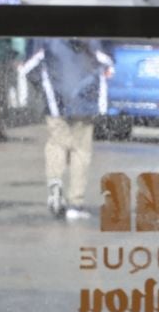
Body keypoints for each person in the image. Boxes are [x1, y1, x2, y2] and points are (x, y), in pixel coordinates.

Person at [19, 38, 114, 221]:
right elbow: (107, 63)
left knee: (57, 143)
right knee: (81, 150)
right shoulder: (94, 37)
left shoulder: (47, 37)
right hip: (86, 101)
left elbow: (30, 68)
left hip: (56, 99)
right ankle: (75, 204)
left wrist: (44, 89)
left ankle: (55, 183)